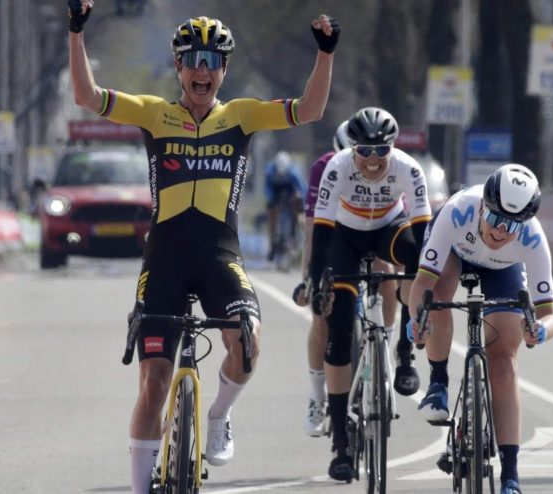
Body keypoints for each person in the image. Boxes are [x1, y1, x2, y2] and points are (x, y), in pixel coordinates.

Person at [66, 3, 339, 492]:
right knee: (153, 384)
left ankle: (218, 415)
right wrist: (76, 31)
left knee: (249, 340)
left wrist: (325, 54)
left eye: (213, 62)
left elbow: (309, 110)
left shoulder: (241, 117)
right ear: (178, 67)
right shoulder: (155, 114)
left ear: (224, 71)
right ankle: (139, 488)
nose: (202, 70)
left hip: (219, 256)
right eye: (193, 59)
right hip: (165, 259)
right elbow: (87, 97)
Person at [408, 164, 553, 494]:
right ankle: (437, 382)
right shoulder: (457, 210)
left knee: (503, 362)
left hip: (504, 270)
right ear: (482, 207)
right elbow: (421, 283)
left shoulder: (533, 238)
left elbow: (550, 314)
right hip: (455, 253)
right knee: (437, 298)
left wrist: (541, 330)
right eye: (495, 219)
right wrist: (417, 319)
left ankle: (510, 475)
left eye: (512, 225)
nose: (502, 231)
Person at [306, 106, 431, 480]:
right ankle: (341, 443)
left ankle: (405, 354)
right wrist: (317, 284)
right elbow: (322, 233)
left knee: (415, 259)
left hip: (388, 228)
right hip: (344, 237)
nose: (373, 161)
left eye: (381, 152)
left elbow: (424, 234)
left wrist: (424, 291)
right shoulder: (337, 168)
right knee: (340, 332)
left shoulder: (409, 168)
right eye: (365, 152)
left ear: (392, 148)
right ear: (353, 149)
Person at [291, 120, 354, 437]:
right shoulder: (322, 169)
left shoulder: (385, 165)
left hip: (371, 234)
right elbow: (312, 229)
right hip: (334, 237)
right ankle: (317, 396)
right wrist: (307, 279)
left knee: (387, 274)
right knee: (322, 316)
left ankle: (384, 347)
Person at [263, 151, 307, 261]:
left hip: (291, 191)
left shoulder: (293, 172)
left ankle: (299, 232)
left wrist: (300, 199)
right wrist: (271, 199)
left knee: (299, 208)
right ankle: (272, 244)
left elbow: (302, 188)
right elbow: (267, 188)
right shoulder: (270, 171)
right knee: (271, 213)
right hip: (276, 191)